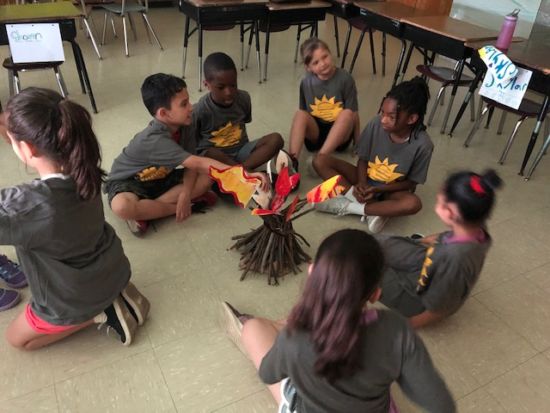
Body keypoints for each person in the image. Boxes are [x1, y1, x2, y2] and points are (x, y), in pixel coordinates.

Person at [222, 229, 455, 412]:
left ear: (313, 272)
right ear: (375, 293)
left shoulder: (294, 336)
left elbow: (268, 374)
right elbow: (439, 403)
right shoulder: (396, 329)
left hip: (301, 375)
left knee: (253, 328)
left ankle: (261, 325)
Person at [0, 88, 150, 350]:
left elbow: (18, 211)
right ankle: (112, 298)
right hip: (113, 269)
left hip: (72, 296)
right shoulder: (85, 165)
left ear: (28, 148)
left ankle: (101, 314)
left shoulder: (26, 207)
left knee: (18, 341)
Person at [105, 73, 268, 235]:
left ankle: (147, 212)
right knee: (122, 207)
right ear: (163, 114)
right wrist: (245, 175)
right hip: (130, 182)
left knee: (208, 177)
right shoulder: (153, 139)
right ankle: (174, 208)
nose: (191, 107)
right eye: (184, 104)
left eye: (188, 101)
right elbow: (197, 163)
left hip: (162, 177)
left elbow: (192, 164)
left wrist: (185, 192)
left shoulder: (186, 123)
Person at [378, 169, 503, 329]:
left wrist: (407, 326)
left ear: (449, 212)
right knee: (377, 243)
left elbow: (439, 309)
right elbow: (441, 237)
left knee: (362, 263)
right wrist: (415, 243)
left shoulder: (455, 259)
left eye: (438, 200)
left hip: (417, 300)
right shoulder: (474, 228)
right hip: (431, 259)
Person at [314, 77, 432, 234]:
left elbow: (410, 183)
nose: (383, 119)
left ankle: (351, 206)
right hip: (364, 178)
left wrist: (378, 190)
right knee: (320, 161)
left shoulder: (424, 145)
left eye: (391, 116)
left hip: (390, 191)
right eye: (382, 112)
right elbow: (363, 158)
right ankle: (371, 210)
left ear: (411, 119)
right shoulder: (376, 123)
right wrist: (361, 183)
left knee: (413, 203)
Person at [193, 52, 287, 173]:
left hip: (242, 151)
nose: (228, 92)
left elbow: (245, 121)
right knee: (209, 153)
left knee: (276, 139)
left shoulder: (244, 98)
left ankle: (241, 171)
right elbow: (195, 145)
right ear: (207, 85)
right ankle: (245, 171)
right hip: (217, 158)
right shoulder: (200, 110)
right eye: (221, 87)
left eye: (233, 85)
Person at [288, 37, 360, 175]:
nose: (322, 63)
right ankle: (292, 163)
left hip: (340, 135)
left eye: (325, 57)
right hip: (316, 133)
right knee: (300, 114)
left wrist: (358, 142)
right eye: (315, 62)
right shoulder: (306, 83)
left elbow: (354, 114)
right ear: (309, 68)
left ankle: (320, 159)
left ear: (330, 53)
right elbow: (303, 116)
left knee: (347, 113)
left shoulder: (345, 78)